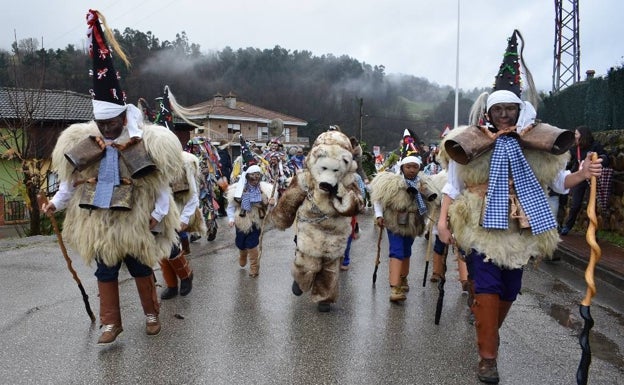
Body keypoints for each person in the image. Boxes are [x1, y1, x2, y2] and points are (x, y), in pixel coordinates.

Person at [437, 30, 603, 384]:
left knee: (509, 292)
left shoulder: (537, 143)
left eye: (509, 108)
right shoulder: (470, 142)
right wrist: (443, 222)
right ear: (489, 111)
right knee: (486, 286)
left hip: (522, 228)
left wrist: (583, 173)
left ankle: (487, 330)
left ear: (518, 108)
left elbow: (558, 182)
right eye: (498, 109)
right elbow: (452, 185)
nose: (504, 114)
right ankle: (487, 359)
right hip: (481, 227)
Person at [41, 9, 184, 345]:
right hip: (100, 220)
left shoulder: (143, 143)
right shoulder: (86, 143)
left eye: (112, 124)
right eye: (102, 125)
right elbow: (69, 182)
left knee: (139, 266)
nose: (107, 130)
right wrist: (55, 204)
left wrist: (157, 215)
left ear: (122, 115)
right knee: (104, 270)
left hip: (135, 220)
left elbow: (159, 185)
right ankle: (110, 323)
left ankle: (150, 314)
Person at [370, 155, 429, 303]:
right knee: (396, 250)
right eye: (408, 167)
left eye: (414, 167)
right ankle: (394, 287)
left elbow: (430, 204)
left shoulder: (424, 183)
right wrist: (378, 215)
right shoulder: (391, 183)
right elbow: (378, 198)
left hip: (413, 223)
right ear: (402, 168)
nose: (411, 170)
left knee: (406, 251)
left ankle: (403, 278)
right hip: (394, 222)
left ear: (419, 168)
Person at [159, 151, 206, 299]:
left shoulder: (184, 164)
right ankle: (172, 285)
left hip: (177, 212)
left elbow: (192, 195)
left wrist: (184, 218)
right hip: (157, 212)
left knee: (171, 247)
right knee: (160, 250)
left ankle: (185, 276)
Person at [226, 165, 276, 277]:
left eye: (257, 178)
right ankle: (242, 254)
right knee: (240, 243)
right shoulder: (237, 190)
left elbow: (269, 209)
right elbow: (230, 206)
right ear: (247, 177)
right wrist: (230, 219)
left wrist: (272, 204)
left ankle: (254, 267)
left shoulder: (265, 190)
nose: (255, 180)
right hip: (241, 220)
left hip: (256, 220)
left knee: (252, 244)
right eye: (252, 178)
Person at [560, 125, 609, 235]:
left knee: (592, 206)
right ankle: (568, 226)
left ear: (582, 135)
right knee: (575, 204)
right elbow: (568, 163)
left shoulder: (596, 146)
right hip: (580, 178)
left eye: (576, 134)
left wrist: (599, 160)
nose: (575, 136)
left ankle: (593, 232)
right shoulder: (574, 149)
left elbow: (606, 158)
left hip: (593, 179)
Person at [217, 139, 233, 217]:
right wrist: (224, 176)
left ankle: (221, 211)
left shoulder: (220, 152)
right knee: (223, 193)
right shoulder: (223, 153)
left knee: (222, 193)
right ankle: (222, 211)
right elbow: (222, 166)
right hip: (223, 176)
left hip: (222, 175)